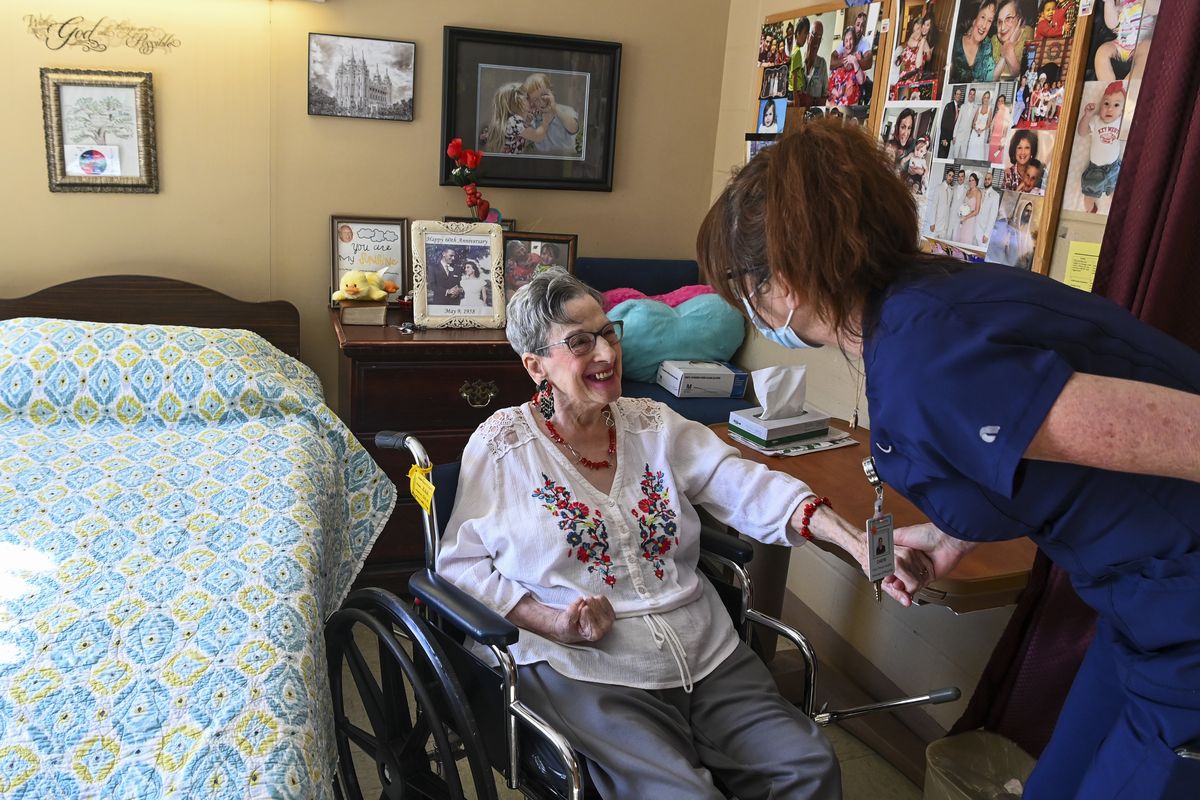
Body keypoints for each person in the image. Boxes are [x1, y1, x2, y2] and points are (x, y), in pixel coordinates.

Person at [698, 119, 1200, 800]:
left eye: (743, 290)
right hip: (1138, 608)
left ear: (781, 283)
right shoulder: (927, 302)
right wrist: (947, 533)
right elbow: (1029, 439)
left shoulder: (925, 358)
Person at [437, 268, 929, 799]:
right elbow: (460, 566)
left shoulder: (653, 424)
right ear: (536, 366)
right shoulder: (504, 445)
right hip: (582, 667)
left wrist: (852, 539)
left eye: (608, 332)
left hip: (705, 651)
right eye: (580, 342)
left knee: (808, 767)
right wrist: (552, 622)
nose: (605, 353)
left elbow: (739, 481)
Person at [1076, 81, 1125, 213]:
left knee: (1117, 194)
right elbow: (1082, 132)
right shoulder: (1096, 120)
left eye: (1116, 105)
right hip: (1095, 170)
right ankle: (1091, 210)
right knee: (1087, 197)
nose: (1109, 109)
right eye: (1106, 103)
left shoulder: (1122, 122)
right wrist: (1087, 116)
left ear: (1122, 111)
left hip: (1114, 168)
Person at [523, 72, 580, 157]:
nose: (541, 102)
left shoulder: (566, 110)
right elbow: (527, 139)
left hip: (565, 157)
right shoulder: (534, 118)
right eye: (536, 100)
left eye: (544, 95)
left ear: (551, 91)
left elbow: (574, 129)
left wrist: (555, 108)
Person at [1094, 0, 1149, 81]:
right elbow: (1112, 25)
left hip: (1142, 42)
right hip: (1122, 43)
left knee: (1146, 52)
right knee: (1102, 52)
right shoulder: (1120, 2)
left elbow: (1155, 10)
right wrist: (1109, 3)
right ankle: (1108, 87)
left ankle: (1126, 86)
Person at [483, 82, 539, 155]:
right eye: (526, 98)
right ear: (517, 103)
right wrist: (545, 122)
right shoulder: (515, 121)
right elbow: (537, 137)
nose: (530, 101)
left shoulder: (508, 123)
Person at [950, 1, 997, 84]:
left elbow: (989, 78)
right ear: (974, 20)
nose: (984, 25)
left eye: (989, 21)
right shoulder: (955, 41)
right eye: (983, 17)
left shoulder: (987, 45)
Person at [793, 20, 829, 107]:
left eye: (820, 38)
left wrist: (812, 101)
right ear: (808, 36)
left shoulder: (822, 64)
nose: (817, 41)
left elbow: (826, 98)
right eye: (815, 35)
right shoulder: (797, 60)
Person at [827, 28, 865, 107]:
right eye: (846, 41)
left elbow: (861, 80)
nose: (848, 44)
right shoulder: (838, 59)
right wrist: (838, 93)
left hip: (851, 106)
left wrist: (854, 61)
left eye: (851, 39)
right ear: (843, 44)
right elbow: (830, 84)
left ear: (855, 41)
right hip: (834, 106)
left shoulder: (858, 58)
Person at [894, 13, 934, 84]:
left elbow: (928, 58)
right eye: (924, 24)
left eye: (927, 25)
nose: (924, 27)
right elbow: (910, 42)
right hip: (906, 73)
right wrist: (921, 44)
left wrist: (926, 48)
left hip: (912, 75)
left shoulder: (928, 40)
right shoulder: (918, 36)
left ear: (931, 27)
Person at [1003, 199, 1037, 268]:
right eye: (1027, 211)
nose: (1029, 214)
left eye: (1031, 211)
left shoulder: (1028, 237)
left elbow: (1026, 263)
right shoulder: (1008, 229)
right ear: (1021, 211)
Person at [926, 166, 957, 239]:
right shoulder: (938, 188)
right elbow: (934, 206)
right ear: (946, 175)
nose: (950, 178)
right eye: (949, 175)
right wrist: (932, 223)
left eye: (952, 176)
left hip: (945, 225)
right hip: (937, 224)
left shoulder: (951, 190)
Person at [787, 16, 812, 100]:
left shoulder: (795, 49)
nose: (806, 37)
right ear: (798, 33)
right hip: (794, 93)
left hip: (796, 91)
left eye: (807, 34)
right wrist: (796, 99)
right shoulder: (797, 52)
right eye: (805, 33)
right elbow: (794, 77)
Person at [975, 171, 1001, 246]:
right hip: (975, 227)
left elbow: (993, 216)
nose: (986, 181)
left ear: (992, 180)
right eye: (985, 179)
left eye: (989, 179)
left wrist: (987, 234)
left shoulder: (995, 195)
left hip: (983, 231)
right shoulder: (980, 192)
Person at [955, 172, 982, 243]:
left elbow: (977, 211)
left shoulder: (978, 192)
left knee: (966, 239)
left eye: (973, 180)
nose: (971, 182)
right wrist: (961, 214)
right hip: (963, 220)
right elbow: (963, 205)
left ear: (976, 181)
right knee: (960, 238)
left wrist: (966, 217)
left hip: (971, 221)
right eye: (970, 180)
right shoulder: (967, 191)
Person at [951, 86, 977, 160]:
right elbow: (958, 121)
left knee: (963, 156)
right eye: (970, 94)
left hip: (967, 136)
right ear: (968, 95)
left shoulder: (976, 108)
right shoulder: (963, 106)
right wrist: (954, 136)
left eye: (973, 94)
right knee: (955, 155)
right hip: (958, 135)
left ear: (974, 96)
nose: (971, 96)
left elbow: (975, 122)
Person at [966, 90, 993, 162]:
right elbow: (974, 121)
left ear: (989, 99)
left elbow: (989, 123)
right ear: (983, 98)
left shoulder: (990, 109)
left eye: (987, 97)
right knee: (972, 148)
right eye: (985, 97)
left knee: (979, 149)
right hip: (975, 132)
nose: (986, 99)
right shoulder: (979, 107)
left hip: (982, 132)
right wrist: (975, 129)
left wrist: (982, 130)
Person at [938, 86, 962, 159]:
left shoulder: (959, 107)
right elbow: (943, 122)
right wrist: (943, 138)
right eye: (957, 94)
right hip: (945, 137)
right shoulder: (949, 105)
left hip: (950, 137)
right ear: (954, 95)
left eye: (960, 94)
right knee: (942, 155)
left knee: (946, 155)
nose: (958, 96)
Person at [988, 93, 1011, 163]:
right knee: (991, 159)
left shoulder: (1006, 113)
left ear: (1004, 103)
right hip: (993, 141)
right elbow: (992, 127)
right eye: (999, 101)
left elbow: (1006, 129)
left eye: (1002, 101)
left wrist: (1003, 143)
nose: (1000, 102)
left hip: (1000, 141)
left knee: (997, 160)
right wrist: (990, 137)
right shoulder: (996, 113)